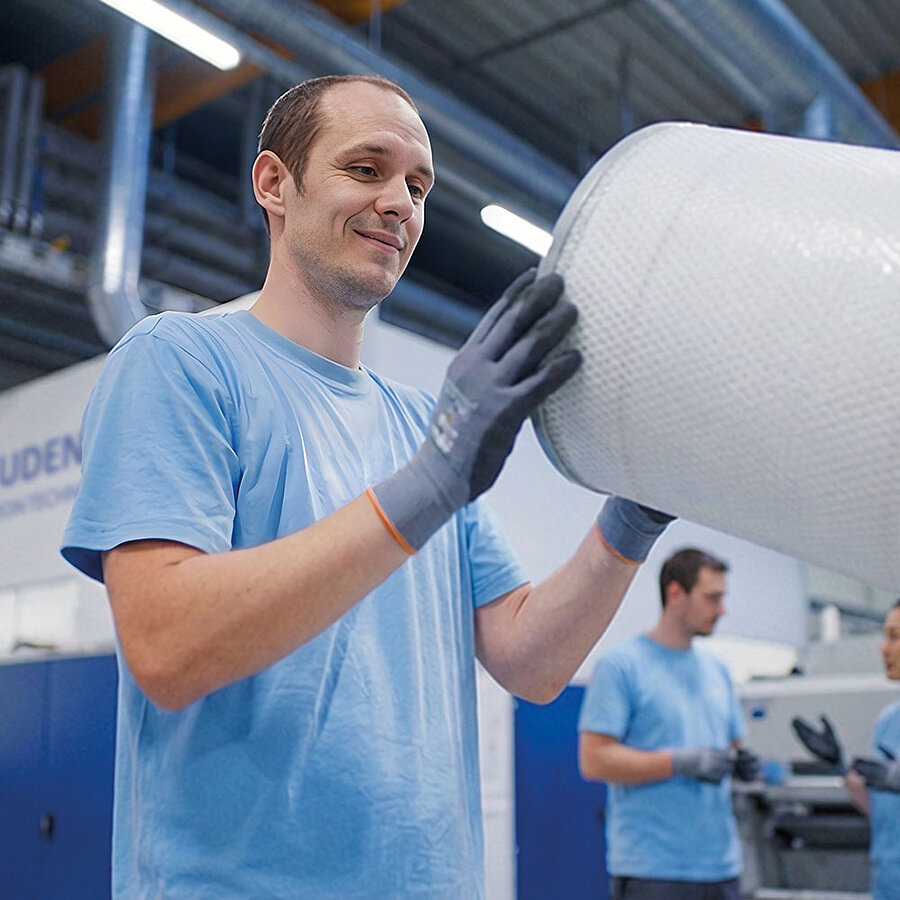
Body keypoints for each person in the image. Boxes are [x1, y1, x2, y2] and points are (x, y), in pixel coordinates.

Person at [61, 74, 674, 898]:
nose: (400, 203)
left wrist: (633, 512)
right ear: (274, 182)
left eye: (418, 185)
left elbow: (531, 661)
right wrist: (431, 480)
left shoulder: (424, 424)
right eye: (366, 169)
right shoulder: (181, 361)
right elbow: (167, 646)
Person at [578, 547, 760, 900]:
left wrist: (742, 765)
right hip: (653, 872)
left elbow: (732, 747)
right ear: (675, 593)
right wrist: (678, 762)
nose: (722, 610)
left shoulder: (718, 670)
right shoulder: (622, 666)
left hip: (721, 868)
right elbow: (594, 760)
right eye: (712, 598)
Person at [792, 599, 900, 900]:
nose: (883, 648)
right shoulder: (889, 721)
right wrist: (840, 766)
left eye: (894, 637)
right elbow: (879, 810)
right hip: (887, 885)